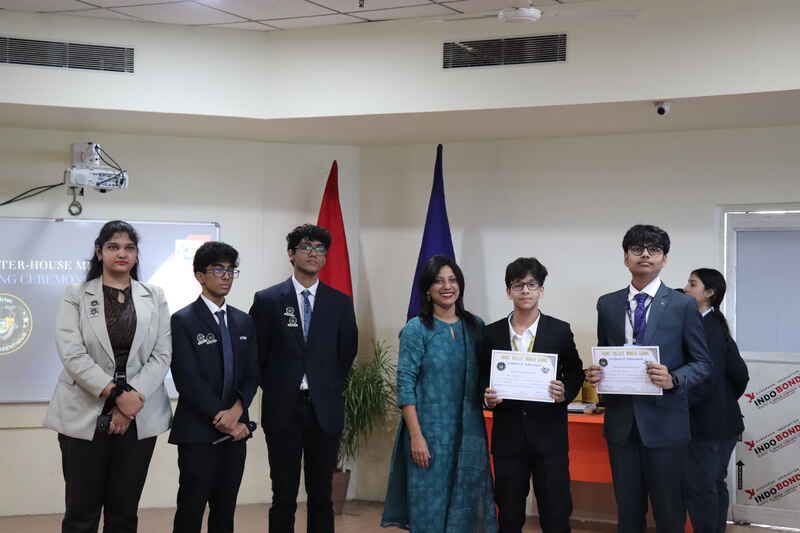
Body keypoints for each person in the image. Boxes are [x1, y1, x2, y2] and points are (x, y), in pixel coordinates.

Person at [44, 220, 172, 533]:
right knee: (81, 513)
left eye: (129, 247)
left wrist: (129, 402)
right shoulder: (76, 294)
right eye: (113, 247)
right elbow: (72, 354)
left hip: (138, 415)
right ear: (100, 252)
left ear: (137, 255)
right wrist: (116, 395)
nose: (122, 253)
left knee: (124, 513)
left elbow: (161, 355)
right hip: (84, 410)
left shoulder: (154, 295)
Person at [584, 224, 712, 533]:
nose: (645, 255)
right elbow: (605, 353)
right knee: (628, 510)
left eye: (653, 250)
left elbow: (702, 363)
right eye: (637, 249)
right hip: (622, 424)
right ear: (625, 257)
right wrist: (597, 374)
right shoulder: (608, 304)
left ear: (664, 259)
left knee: (669, 511)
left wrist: (674, 379)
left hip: (665, 423)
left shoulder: (682, 304)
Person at [249, 224, 358, 533]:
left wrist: (324, 384)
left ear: (325, 257)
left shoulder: (339, 302)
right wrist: (280, 386)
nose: (313, 253)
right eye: (306, 247)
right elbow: (256, 354)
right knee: (283, 494)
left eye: (320, 249)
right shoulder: (268, 300)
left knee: (321, 495)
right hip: (283, 407)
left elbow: (346, 352)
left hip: (324, 408)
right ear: (291, 253)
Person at [382, 254, 497, 533]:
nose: (447, 286)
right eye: (438, 281)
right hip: (428, 434)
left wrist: (491, 395)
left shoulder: (476, 326)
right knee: (429, 509)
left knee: (469, 505)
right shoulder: (416, 329)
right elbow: (405, 384)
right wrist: (416, 436)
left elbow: (485, 377)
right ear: (427, 289)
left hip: (469, 433)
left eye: (452, 280)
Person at [482, 257, 584, 533]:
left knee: (556, 511)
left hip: (549, 437)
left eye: (531, 284)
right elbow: (481, 377)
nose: (525, 290)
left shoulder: (559, 330)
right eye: (518, 285)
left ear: (541, 290)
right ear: (508, 291)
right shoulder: (491, 333)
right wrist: (486, 396)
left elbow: (575, 372)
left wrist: (564, 391)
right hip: (508, 437)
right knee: (509, 512)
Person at [169, 241, 259, 533]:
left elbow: (252, 374)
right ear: (200, 275)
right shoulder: (183, 320)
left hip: (237, 430)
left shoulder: (244, 321)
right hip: (198, 430)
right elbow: (187, 379)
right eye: (218, 269)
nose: (226, 276)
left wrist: (236, 412)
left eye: (231, 270)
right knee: (191, 507)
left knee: (225, 509)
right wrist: (222, 417)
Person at [683, 268, 749, 533]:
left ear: (709, 293)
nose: (686, 289)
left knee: (700, 487)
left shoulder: (706, 328)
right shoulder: (714, 325)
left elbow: (705, 380)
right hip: (723, 422)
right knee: (713, 484)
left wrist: (679, 404)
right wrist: (724, 400)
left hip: (707, 425)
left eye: (692, 284)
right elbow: (739, 375)